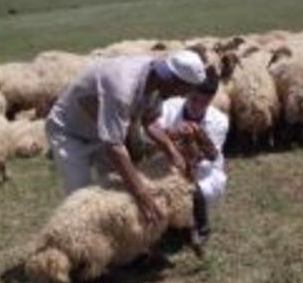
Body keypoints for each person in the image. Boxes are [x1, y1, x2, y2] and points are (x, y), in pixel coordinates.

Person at [45, 50, 206, 224]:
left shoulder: (156, 82)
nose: (183, 96)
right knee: (80, 195)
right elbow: (114, 147)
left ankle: (113, 237)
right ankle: (79, 242)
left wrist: (171, 150)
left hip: (102, 131)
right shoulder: (122, 86)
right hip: (71, 131)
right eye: (184, 89)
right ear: (172, 80)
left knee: (115, 188)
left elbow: (150, 121)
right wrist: (142, 194)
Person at [154, 72, 229, 248]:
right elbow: (151, 137)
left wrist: (198, 137)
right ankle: (165, 225)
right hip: (166, 163)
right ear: (188, 92)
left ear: (211, 100)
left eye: (204, 102)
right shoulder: (168, 107)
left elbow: (210, 157)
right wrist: (173, 134)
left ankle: (200, 225)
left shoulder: (219, 120)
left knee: (195, 191)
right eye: (194, 99)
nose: (198, 106)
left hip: (203, 172)